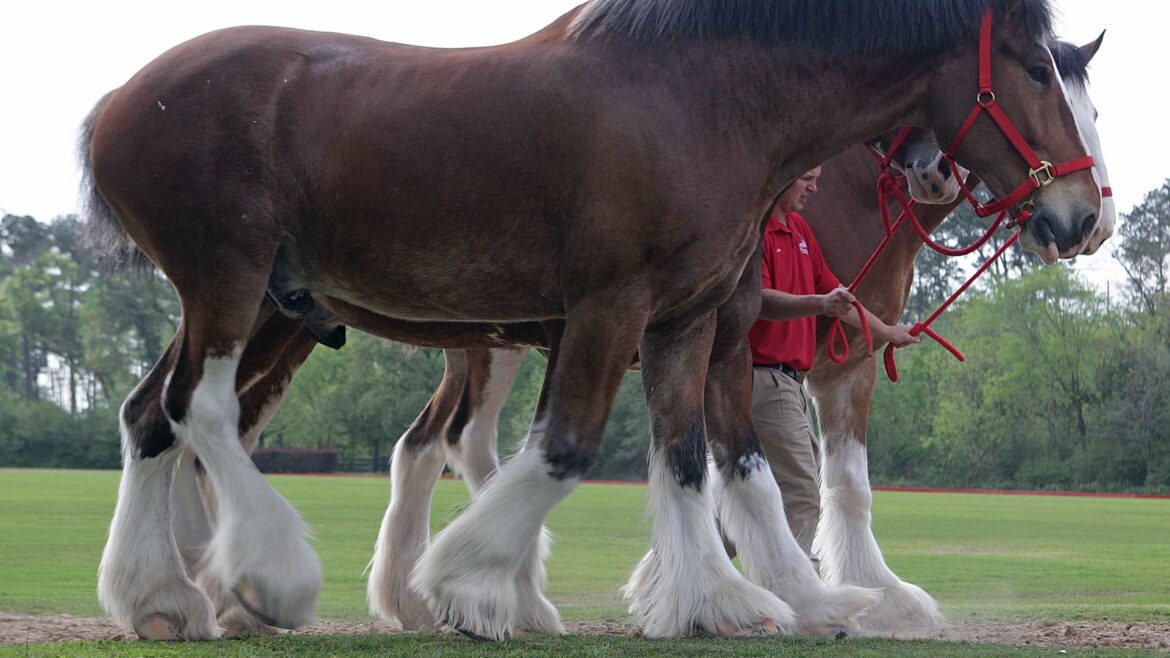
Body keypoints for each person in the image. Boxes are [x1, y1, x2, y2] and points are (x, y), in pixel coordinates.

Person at [749, 166, 918, 569]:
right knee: (803, 493)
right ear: (782, 177)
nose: (814, 187)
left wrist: (887, 331)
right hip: (764, 378)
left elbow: (842, 299)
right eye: (806, 177)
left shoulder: (802, 234)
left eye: (817, 177)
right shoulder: (757, 234)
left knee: (748, 494)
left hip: (787, 383)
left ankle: (698, 570)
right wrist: (817, 304)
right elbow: (759, 300)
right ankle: (791, 589)